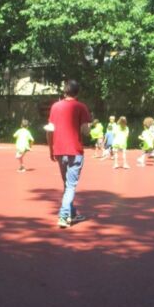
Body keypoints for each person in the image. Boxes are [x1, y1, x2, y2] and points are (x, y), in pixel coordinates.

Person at [45, 80, 92, 228]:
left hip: (59, 150)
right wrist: (90, 127)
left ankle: (72, 213)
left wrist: (51, 149)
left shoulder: (55, 107)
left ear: (64, 91)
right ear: (78, 92)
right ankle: (64, 216)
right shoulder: (81, 107)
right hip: (75, 150)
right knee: (71, 186)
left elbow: (49, 130)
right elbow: (85, 130)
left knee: (67, 185)